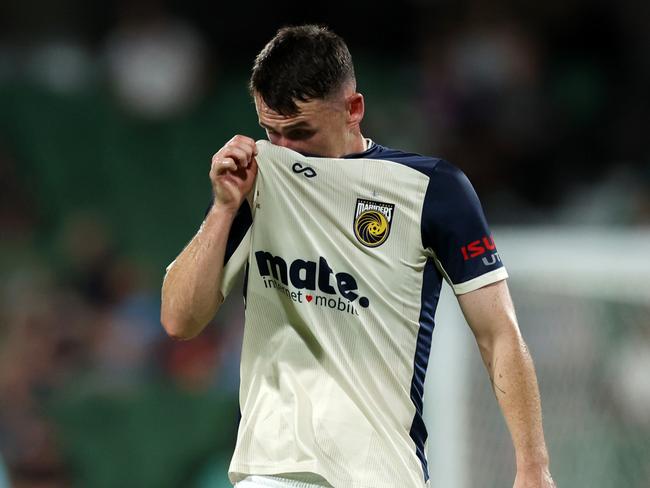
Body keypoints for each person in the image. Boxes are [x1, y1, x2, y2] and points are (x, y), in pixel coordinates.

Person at [161, 25, 555, 488]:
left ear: (353, 109)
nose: (284, 149)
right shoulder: (256, 182)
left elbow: (498, 333)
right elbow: (178, 320)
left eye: (300, 132)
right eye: (271, 132)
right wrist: (225, 207)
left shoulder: (432, 189)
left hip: (383, 473)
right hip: (275, 472)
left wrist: (533, 467)